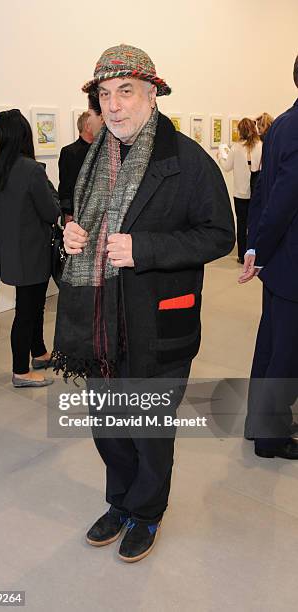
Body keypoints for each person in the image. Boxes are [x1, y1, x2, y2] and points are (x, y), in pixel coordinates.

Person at [53, 44, 235, 562]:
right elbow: (81, 221)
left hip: (158, 323)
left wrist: (146, 249)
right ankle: (121, 501)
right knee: (108, 424)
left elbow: (219, 234)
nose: (113, 106)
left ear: (152, 94)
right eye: (105, 95)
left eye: (125, 92)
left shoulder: (187, 161)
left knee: (149, 429)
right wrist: (69, 235)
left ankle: (148, 512)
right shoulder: (90, 161)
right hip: (99, 323)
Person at [239, 55, 298, 459]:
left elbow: (264, 193)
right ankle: (271, 437)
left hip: (279, 260)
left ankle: (258, 422)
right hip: (292, 260)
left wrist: (256, 248)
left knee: (271, 345)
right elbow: (282, 198)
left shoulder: (282, 124)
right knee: (286, 353)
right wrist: (261, 247)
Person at [0, 110, 59, 388]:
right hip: (32, 253)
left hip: (5, 252)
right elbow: (51, 212)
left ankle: (38, 353)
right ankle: (20, 371)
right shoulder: (31, 170)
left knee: (33, 306)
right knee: (27, 312)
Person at [218, 118, 262, 264]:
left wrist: (220, 156)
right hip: (256, 193)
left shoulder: (236, 148)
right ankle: (254, 252)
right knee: (254, 223)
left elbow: (226, 167)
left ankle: (242, 255)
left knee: (241, 224)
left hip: (240, 193)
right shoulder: (260, 146)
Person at [58, 98, 104, 222]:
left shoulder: (102, 150)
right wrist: (68, 214)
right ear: (88, 126)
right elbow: (65, 187)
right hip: (77, 214)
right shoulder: (69, 152)